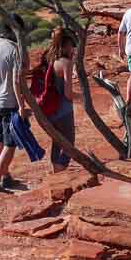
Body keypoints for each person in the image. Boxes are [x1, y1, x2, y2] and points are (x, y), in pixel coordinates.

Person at [0, 15, 27, 192]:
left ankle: (6, 176)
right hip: (8, 101)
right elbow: (17, 81)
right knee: (11, 142)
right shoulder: (14, 49)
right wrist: (22, 106)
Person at [45, 25, 77, 171]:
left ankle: (55, 168)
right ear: (66, 45)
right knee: (69, 143)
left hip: (49, 108)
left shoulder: (49, 59)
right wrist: (81, 97)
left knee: (57, 140)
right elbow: (68, 93)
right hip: (63, 110)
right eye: (72, 45)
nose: (73, 49)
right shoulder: (66, 63)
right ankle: (60, 168)